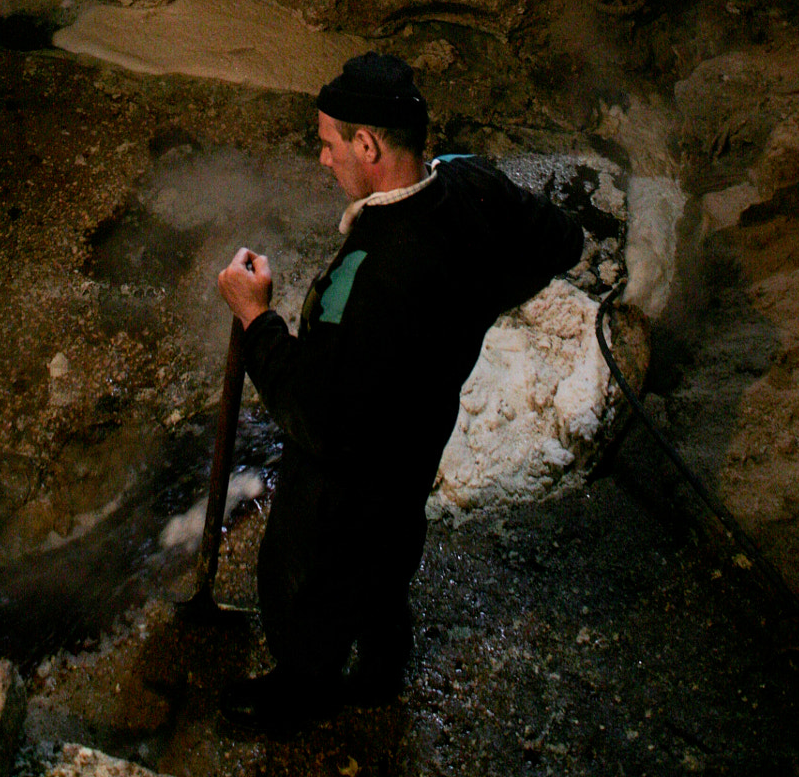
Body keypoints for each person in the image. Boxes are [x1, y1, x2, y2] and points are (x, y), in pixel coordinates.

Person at [216, 51, 584, 733]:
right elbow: (562, 239)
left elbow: (313, 416)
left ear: (367, 144)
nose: (320, 158)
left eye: (327, 143)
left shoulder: (367, 275)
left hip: (345, 474)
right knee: (388, 557)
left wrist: (254, 316)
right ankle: (381, 671)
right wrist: (477, 304)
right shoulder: (471, 184)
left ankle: (304, 691)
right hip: (416, 442)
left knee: (301, 581)